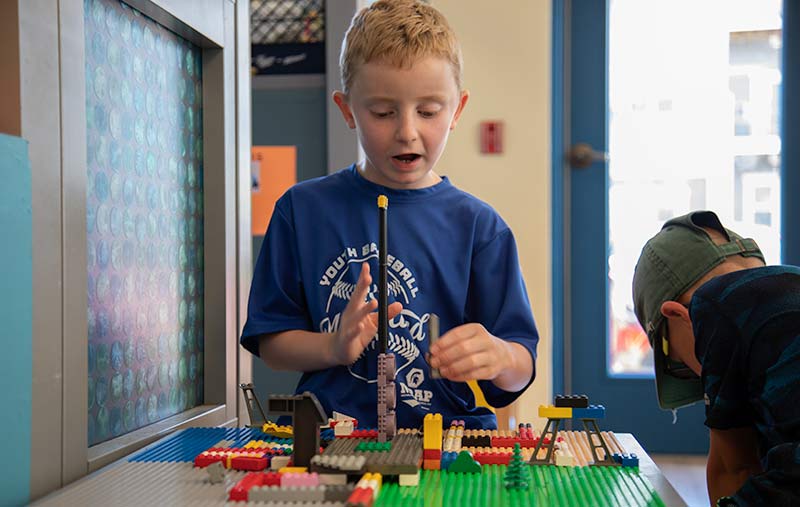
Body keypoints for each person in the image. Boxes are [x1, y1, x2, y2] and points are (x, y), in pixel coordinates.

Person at [240, 0, 538, 430]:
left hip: (448, 443)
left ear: (456, 110)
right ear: (347, 110)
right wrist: (334, 347)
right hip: (329, 438)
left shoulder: (481, 228)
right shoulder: (300, 211)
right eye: (382, 112)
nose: (407, 130)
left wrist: (499, 356)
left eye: (429, 111)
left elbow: (519, 368)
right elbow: (272, 343)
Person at [632, 210, 800, 506]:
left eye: (677, 362)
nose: (700, 375)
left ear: (676, 314)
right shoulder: (787, 291)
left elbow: (733, 467)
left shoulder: (716, 308)